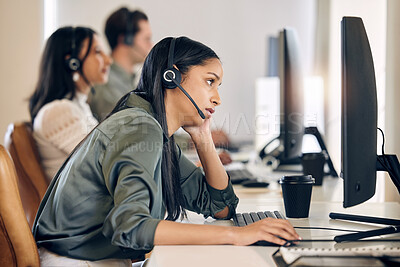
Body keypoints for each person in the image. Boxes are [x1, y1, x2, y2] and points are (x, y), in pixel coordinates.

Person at [33, 36, 300, 266]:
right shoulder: (139, 127)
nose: (218, 97)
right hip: (76, 262)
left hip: (96, 258)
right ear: (171, 77)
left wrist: (202, 136)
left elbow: (221, 207)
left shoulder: (156, 130)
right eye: (210, 81)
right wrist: (236, 235)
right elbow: (131, 227)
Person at [29, 26, 112, 182]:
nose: (108, 60)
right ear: (73, 63)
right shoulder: (58, 111)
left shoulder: (79, 107)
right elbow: (105, 162)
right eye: (98, 52)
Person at [89, 7, 152, 121]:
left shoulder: (128, 81)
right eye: (146, 39)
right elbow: (132, 128)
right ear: (126, 39)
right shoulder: (105, 82)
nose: (151, 45)